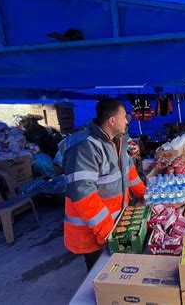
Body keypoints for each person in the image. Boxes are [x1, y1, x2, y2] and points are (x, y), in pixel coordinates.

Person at [61, 98, 146, 272]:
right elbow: (84, 194)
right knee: (100, 277)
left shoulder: (118, 140)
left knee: (120, 272)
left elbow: (128, 172)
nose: (127, 120)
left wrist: (145, 195)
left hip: (115, 224)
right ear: (112, 120)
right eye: (124, 116)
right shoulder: (85, 147)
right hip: (92, 233)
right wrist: (110, 233)